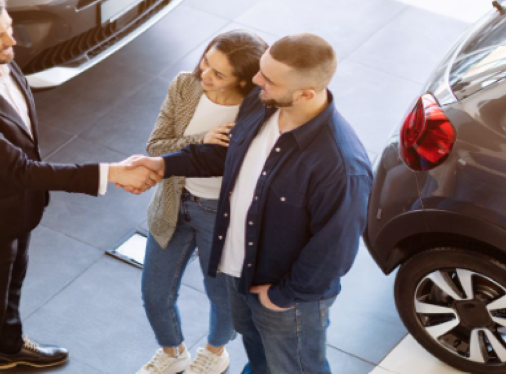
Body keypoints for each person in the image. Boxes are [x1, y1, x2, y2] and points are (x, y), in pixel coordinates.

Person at [0, 0, 161, 372]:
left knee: (12, 284)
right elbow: (23, 169)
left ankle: (10, 346)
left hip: (17, 206)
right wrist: (111, 171)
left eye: (8, 29)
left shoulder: (3, 61)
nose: (11, 41)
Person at [128, 34, 373, 374]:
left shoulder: (341, 166)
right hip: (240, 276)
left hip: (284, 299)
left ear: (306, 93)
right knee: (259, 361)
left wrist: (282, 296)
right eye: (260, 71)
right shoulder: (262, 104)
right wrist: (164, 164)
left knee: (293, 368)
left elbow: (334, 251)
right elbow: (226, 157)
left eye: (268, 79)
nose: (256, 81)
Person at [137, 30, 267, 374]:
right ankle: (173, 352)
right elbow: (155, 146)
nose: (204, 75)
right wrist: (201, 139)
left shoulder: (259, 111)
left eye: (218, 74)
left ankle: (214, 352)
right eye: (205, 62)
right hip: (173, 203)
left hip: (221, 216)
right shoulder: (185, 85)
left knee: (224, 299)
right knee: (154, 293)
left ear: (243, 81)